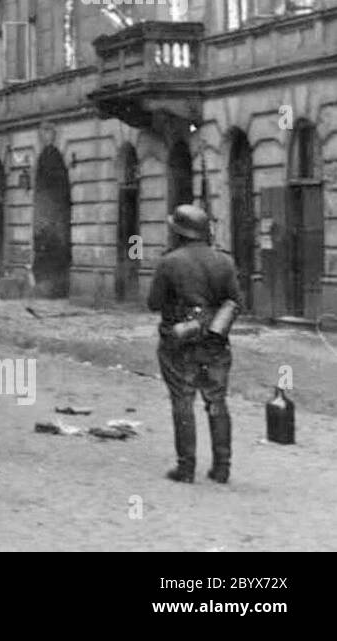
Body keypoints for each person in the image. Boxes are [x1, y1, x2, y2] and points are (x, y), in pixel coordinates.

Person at [147, 204, 241, 484]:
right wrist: (212, 326)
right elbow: (235, 302)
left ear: (179, 232)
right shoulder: (225, 261)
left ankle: (186, 468)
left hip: (179, 342)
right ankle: (222, 467)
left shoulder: (169, 262)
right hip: (215, 340)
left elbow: (153, 303)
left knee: (183, 400)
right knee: (216, 400)